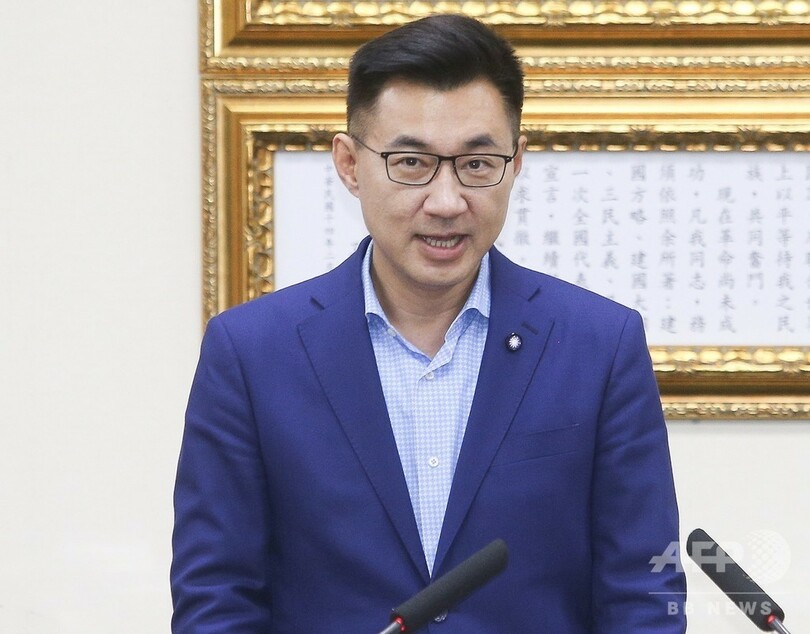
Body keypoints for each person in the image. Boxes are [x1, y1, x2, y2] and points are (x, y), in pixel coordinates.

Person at [171, 14, 686, 632]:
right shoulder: (251, 353)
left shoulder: (600, 345)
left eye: (477, 164)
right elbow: (216, 596)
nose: (446, 202)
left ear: (517, 163)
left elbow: (643, 591)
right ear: (349, 164)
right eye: (411, 162)